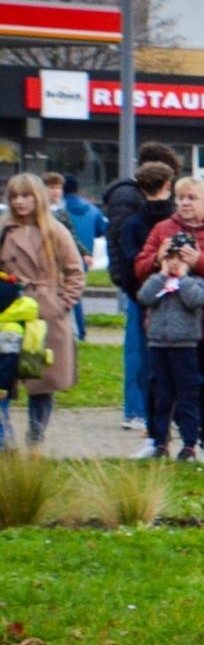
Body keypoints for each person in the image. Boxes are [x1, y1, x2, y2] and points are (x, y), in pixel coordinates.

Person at [134, 177, 204, 465]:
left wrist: (199, 261)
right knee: (159, 386)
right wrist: (157, 259)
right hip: (169, 326)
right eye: (180, 197)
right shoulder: (163, 229)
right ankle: (156, 440)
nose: (184, 203)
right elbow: (139, 269)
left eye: (192, 197)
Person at [0, 173, 85, 445]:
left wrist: (61, 303)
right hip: (9, 312)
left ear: (38, 198)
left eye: (26, 196)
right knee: (3, 380)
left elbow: (75, 272)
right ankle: (5, 440)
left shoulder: (55, 230)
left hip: (46, 314)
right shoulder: (3, 230)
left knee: (41, 383)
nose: (20, 202)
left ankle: (35, 437)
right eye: (14, 196)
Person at [106, 141, 184, 430]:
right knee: (140, 350)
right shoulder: (130, 200)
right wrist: (127, 280)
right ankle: (137, 410)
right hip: (140, 284)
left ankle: (144, 409)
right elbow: (122, 242)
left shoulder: (128, 197)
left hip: (142, 282)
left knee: (146, 349)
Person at [120, 162, 177, 456]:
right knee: (182, 367)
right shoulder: (175, 221)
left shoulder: (132, 224)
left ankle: (153, 430)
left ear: (141, 189)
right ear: (169, 185)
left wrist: (140, 295)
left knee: (148, 366)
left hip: (145, 300)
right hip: (181, 303)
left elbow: (130, 267)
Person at [135, 238, 204, 460]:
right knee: (161, 396)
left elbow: (195, 300)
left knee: (187, 396)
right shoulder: (156, 281)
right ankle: (160, 441)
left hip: (184, 346)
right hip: (158, 344)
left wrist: (182, 277)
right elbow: (144, 297)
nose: (175, 263)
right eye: (171, 258)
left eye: (181, 259)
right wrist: (161, 275)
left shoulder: (196, 282)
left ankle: (188, 443)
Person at [51, 174, 106, 341]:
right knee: (76, 295)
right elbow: (101, 230)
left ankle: (68, 332)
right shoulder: (92, 210)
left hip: (60, 257)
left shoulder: (59, 212)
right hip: (83, 257)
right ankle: (80, 331)